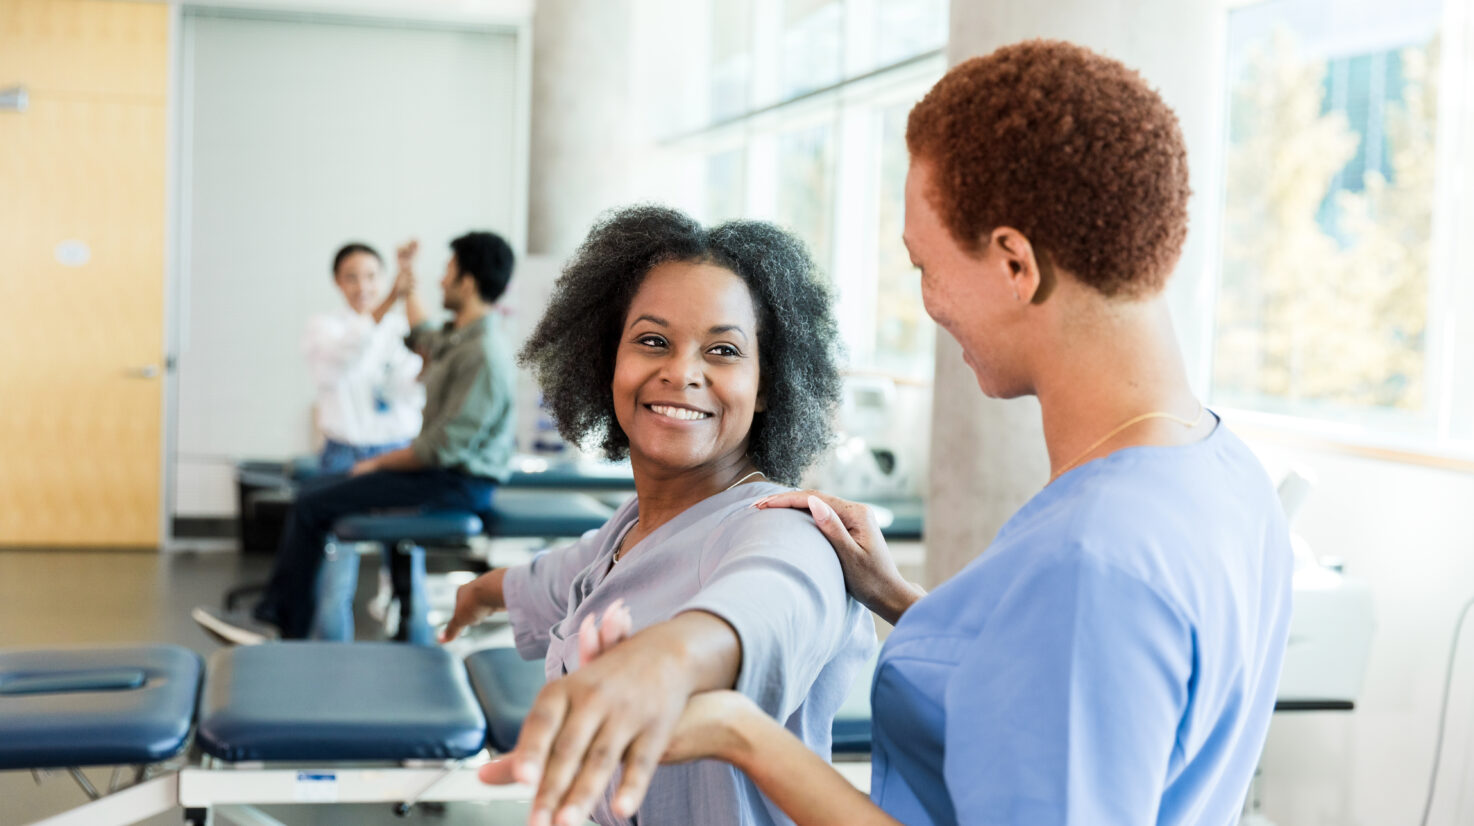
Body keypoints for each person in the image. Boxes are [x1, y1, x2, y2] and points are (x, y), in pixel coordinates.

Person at [538, 40, 1296, 826]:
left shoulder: (1090, 559)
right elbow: (1062, 688)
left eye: (925, 267)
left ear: (1014, 264)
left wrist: (741, 733)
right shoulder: (1220, 469)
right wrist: (898, 598)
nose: (929, 304)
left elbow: (1077, 631)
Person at [441, 205, 876, 826]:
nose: (681, 372)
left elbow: (768, 603)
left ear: (766, 386)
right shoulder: (634, 526)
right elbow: (562, 576)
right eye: (652, 341)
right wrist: (478, 594)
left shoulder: (785, 527)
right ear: (607, 360)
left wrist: (665, 660)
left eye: (723, 350)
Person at [194, 231, 519, 645]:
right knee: (313, 501)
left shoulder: (482, 352)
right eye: (352, 276)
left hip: (451, 480)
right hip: (431, 470)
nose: (441, 280)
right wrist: (406, 280)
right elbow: (423, 336)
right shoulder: (460, 339)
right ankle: (284, 625)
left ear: (467, 282)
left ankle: (277, 623)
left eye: (448, 271)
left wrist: (378, 462)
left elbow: (440, 448)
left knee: (311, 505)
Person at [304, 243, 425, 474]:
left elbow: (414, 386)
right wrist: (391, 297)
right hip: (345, 453)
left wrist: (407, 276)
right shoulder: (323, 327)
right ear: (337, 281)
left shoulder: (398, 326)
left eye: (371, 276)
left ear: (383, 278)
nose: (363, 287)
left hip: (399, 448)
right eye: (352, 278)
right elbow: (348, 350)